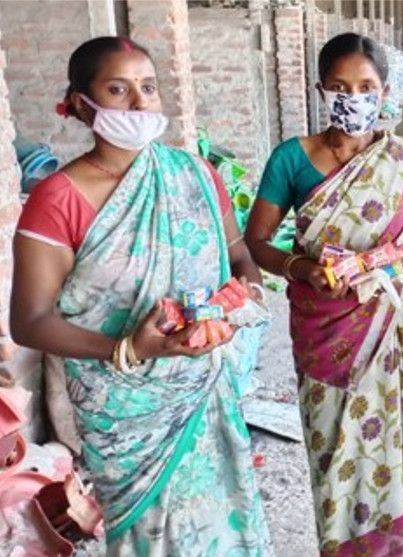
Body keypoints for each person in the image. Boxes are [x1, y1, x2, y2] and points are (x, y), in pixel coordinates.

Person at [10, 37, 271, 555]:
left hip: (204, 388)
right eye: (118, 88)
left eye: (147, 88)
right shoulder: (57, 199)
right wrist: (130, 348)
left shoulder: (196, 174)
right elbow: (30, 322)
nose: (138, 102)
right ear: (83, 104)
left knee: (225, 530)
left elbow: (241, 256)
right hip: (125, 412)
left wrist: (241, 300)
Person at [244, 33, 403, 555]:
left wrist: (397, 265)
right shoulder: (292, 158)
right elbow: (257, 240)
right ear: (319, 90)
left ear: (385, 92)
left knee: (387, 448)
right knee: (333, 450)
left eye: (365, 86)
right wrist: (301, 268)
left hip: (385, 330)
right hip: (321, 329)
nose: (352, 98)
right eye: (339, 87)